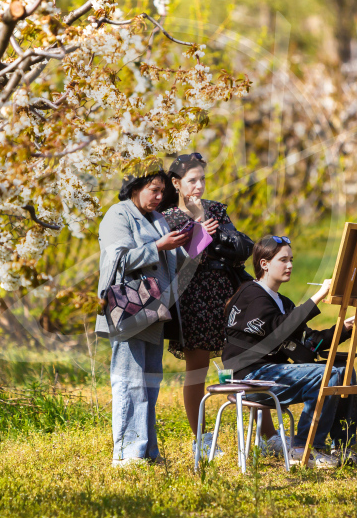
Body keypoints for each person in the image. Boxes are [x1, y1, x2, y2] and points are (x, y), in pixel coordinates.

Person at [221, 235, 357, 468]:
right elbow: (281, 329)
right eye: (283, 260)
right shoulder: (251, 294)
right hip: (250, 376)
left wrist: (346, 327)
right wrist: (318, 296)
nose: (290, 265)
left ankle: (342, 447)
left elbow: (310, 343)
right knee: (327, 375)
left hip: (273, 373)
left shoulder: (283, 303)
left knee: (344, 372)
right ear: (264, 264)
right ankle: (304, 449)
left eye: (291, 259)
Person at [158, 152, 253, 458]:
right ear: (176, 183)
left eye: (202, 179)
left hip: (225, 292)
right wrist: (198, 226)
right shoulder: (167, 218)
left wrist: (213, 229)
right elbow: (182, 261)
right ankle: (201, 437)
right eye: (192, 180)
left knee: (243, 362)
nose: (198, 186)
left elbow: (237, 248)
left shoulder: (216, 210)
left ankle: (264, 434)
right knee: (196, 369)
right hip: (192, 298)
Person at [96, 169, 190, 467]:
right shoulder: (118, 214)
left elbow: (176, 262)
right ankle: (126, 454)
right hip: (129, 306)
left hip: (155, 309)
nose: (160, 197)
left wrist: (195, 241)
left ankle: (147, 451)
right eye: (154, 190)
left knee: (149, 382)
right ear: (135, 187)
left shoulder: (158, 219)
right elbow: (117, 259)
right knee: (129, 380)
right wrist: (158, 246)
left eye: (163, 191)